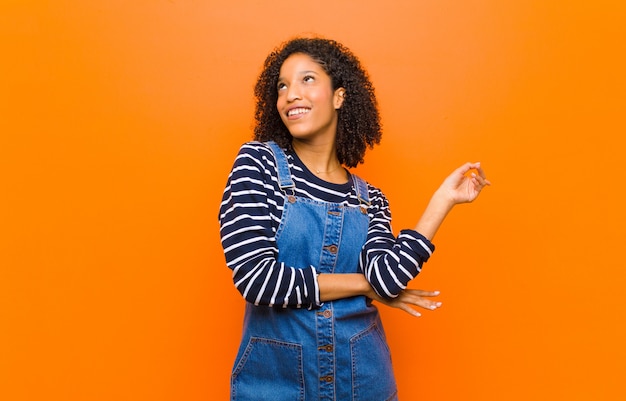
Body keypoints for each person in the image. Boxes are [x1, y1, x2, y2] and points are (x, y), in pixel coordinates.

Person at [218, 36, 490, 401]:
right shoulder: (258, 163)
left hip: (364, 382)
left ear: (339, 97)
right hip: (275, 385)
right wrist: (364, 286)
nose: (290, 94)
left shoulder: (369, 199)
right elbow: (258, 280)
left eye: (307, 80)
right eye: (282, 85)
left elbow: (388, 280)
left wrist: (442, 202)